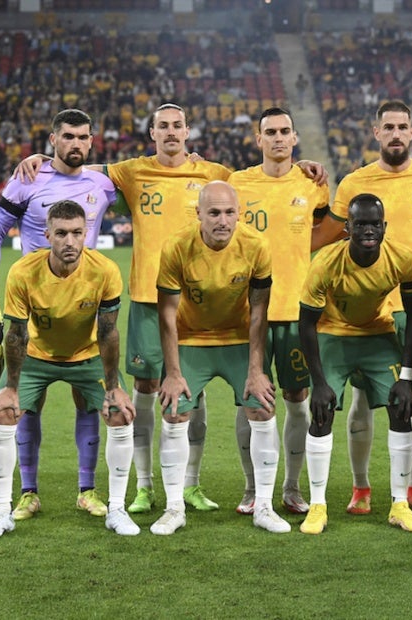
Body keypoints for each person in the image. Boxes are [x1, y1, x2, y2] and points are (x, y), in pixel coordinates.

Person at [18, 103, 325, 517]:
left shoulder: (215, 174)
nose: (171, 132)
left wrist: (300, 165)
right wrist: (43, 159)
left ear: (187, 132)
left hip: (205, 307)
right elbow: (81, 167)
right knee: (149, 391)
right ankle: (145, 487)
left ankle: (192, 485)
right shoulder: (131, 170)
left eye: (177, 125)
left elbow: (262, 187)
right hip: (150, 299)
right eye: (162, 126)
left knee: (197, 396)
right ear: (152, 133)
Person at [0, 109, 118, 523]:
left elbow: (150, 185)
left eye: (83, 137)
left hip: (83, 307)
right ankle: (28, 493)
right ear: (53, 139)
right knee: (25, 404)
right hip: (31, 307)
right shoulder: (27, 179)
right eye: (67, 136)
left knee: (88, 403)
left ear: (92, 141)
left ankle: (87, 491)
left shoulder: (102, 183)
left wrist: (191, 162)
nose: (76, 143)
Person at [313, 100, 412, 516]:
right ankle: (361, 487)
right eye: (388, 126)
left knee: (410, 401)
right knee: (361, 402)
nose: (396, 133)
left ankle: (411, 487)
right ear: (376, 132)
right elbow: (335, 231)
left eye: (403, 126)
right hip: (369, 309)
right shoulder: (356, 181)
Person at [0, 200, 138, 539]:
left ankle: (118, 509)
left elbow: (109, 332)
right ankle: (2, 510)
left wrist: (113, 386)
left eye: (77, 233)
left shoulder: (105, 270)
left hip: (87, 355)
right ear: (47, 235)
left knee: (121, 413)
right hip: (36, 356)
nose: (70, 241)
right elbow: (17, 334)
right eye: (62, 234)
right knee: (4, 413)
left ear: (86, 234)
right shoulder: (23, 272)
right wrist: (11, 387)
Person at [153, 181, 288, 535]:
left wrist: (257, 370)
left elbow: (260, 311)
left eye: (229, 212)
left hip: (239, 338)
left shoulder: (256, 246)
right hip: (191, 339)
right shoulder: (177, 247)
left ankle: (264, 507)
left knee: (262, 405)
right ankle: (173, 508)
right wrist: (172, 372)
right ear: (198, 214)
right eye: (213, 213)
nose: (222, 220)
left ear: (238, 214)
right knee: (175, 408)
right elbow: (166, 313)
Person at [299, 193, 412, 534]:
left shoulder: (403, 259)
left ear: (384, 227)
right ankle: (318, 505)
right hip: (333, 334)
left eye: (374, 224)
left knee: (401, 406)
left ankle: (399, 504)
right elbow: (306, 323)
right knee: (321, 410)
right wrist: (319, 382)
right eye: (360, 224)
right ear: (347, 227)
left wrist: (408, 377)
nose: (368, 230)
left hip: (376, 334)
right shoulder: (325, 262)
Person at [227, 107, 330, 515]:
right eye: (270, 132)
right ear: (258, 139)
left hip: (295, 309)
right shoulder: (238, 183)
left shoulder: (312, 184)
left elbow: (323, 228)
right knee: (249, 399)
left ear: (294, 138)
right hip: (247, 311)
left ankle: (291, 486)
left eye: (285, 131)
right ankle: (252, 488)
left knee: (296, 397)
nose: (278, 138)